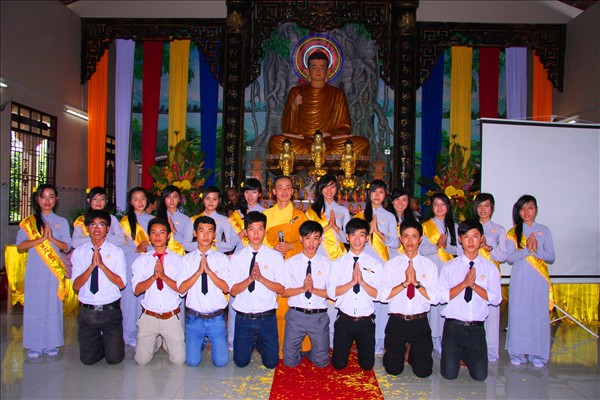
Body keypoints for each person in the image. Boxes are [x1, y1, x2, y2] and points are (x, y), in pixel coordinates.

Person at [268, 50, 369, 157]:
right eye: (314, 67)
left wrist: (329, 135)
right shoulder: (296, 92)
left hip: (329, 141)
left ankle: (315, 153)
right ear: (307, 71)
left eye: (322, 68)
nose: (318, 71)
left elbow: (345, 126)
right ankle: (320, 154)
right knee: (275, 141)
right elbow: (287, 128)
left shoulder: (337, 93)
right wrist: (294, 106)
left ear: (328, 71)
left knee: (362, 143)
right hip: (302, 140)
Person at [438, 219, 502, 381]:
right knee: (449, 375)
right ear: (460, 240)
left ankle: (466, 354)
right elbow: (441, 296)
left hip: (476, 329)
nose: (471, 241)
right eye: (466, 237)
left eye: (475, 236)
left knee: (480, 376)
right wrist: (464, 284)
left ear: (482, 239)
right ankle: (457, 353)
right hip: (453, 327)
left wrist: (474, 286)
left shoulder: (490, 268)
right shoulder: (450, 267)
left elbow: (496, 299)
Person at [16, 184, 71, 359]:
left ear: (56, 199)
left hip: (54, 273)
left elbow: (67, 246)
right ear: (37, 199)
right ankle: (34, 344)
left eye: (51, 196)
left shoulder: (61, 221)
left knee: (53, 306)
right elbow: (20, 246)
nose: (47, 200)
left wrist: (52, 238)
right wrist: (41, 239)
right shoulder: (28, 223)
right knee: (35, 306)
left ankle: (52, 342)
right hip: (35, 271)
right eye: (43, 197)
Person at [380, 220, 440, 377]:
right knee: (393, 370)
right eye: (406, 236)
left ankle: (413, 352)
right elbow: (383, 296)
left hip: (419, 321)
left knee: (423, 372)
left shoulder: (429, 266)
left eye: (414, 236)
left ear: (420, 239)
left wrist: (417, 285)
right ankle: (394, 353)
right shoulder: (391, 265)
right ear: (400, 239)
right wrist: (405, 284)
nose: (410, 241)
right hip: (397, 320)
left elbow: (435, 298)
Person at [229, 212, 285, 369]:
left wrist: (261, 279)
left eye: (260, 229)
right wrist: (250, 279)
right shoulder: (237, 258)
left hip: (266, 317)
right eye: (251, 229)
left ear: (264, 231)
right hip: (244, 318)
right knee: (240, 363)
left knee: (271, 363)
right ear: (246, 232)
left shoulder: (275, 257)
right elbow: (233, 291)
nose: (256, 233)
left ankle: (259, 342)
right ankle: (251, 342)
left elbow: (281, 288)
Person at [506, 195, 555, 368]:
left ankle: (538, 355)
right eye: (523, 208)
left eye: (530, 208)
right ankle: (517, 353)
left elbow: (551, 256)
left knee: (538, 315)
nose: (526, 212)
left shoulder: (544, 230)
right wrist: (527, 249)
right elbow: (510, 258)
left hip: (538, 279)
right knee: (518, 314)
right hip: (520, 278)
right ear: (518, 211)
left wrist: (537, 250)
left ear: (536, 210)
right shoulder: (513, 232)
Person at [72, 210, 127, 365]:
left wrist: (102, 265)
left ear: (107, 228)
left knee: (114, 359)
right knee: (88, 360)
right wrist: (91, 266)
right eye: (92, 225)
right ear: (87, 228)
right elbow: (76, 285)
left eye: (101, 225)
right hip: (87, 312)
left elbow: (121, 283)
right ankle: (102, 342)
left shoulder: (116, 252)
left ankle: (112, 343)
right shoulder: (79, 252)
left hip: (110, 311)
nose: (97, 229)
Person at [328, 218, 382, 371]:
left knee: (367, 366)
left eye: (361, 235)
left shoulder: (375, 264)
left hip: (366, 320)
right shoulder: (337, 264)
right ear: (347, 237)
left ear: (367, 238)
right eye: (353, 235)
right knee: (338, 365)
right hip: (344, 319)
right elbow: (332, 293)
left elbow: (379, 295)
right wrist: (352, 283)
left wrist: (363, 283)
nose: (357, 239)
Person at [263, 175, 309, 355]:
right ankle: (276, 347)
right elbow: (258, 242)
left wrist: (292, 246)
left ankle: (300, 346)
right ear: (274, 191)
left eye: (288, 187)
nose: (284, 191)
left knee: (295, 307)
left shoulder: (300, 216)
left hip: (293, 267)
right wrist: (272, 249)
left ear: (292, 192)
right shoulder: (266, 216)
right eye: (280, 187)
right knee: (275, 309)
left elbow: (308, 242)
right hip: (272, 268)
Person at [131, 218, 185, 365]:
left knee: (179, 361)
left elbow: (182, 290)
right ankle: (156, 341)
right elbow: (136, 290)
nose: (157, 236)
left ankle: (165, 340)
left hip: (171, 316)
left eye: (161, 232)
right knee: (141, 361)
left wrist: (164, 277)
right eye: (153, 233)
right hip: (149, 315)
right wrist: (154, 277)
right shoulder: (142, 261)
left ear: (168, 235)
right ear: (149, 236)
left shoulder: (178, 260)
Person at [179, 216, 230, 367]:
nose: (206, 235)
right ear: (195, 233)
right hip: (195, 318)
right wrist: (198, 272)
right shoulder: (186, 260)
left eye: (210, 231)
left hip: (216, 318)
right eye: (201, 231)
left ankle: (209, 339)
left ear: (215, 234)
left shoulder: (222, 259)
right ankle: (201, 341)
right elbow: (181, 289)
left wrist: (209, 271)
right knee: (192, 362)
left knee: (221, 362)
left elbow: (226, 288)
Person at [355, 179, 398, 355]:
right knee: (363, 303)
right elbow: (353, 240)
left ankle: (379, 344)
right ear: (369, 194)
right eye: (374, 191)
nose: (377, 195)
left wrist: (380, 234)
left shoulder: (390, 216)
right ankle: (362, 342)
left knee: (380, 306)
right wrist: (367, 233)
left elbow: (395, 243)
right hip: (363, 263)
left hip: (381, 264)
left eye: (381, 192)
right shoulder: (360, 215)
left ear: (385, 195)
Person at [281, 221, 331, 368]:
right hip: (296, 315)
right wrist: (303, 289)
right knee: (289, 362)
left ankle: (310, 353)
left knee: (322, 363)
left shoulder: (327, 264)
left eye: (315, 238)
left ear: (320, 240)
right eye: (307, 238)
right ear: (301, 239)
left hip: (319, 316)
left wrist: (314, 290)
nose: (311, 243)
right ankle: (300, 353)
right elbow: (283, 292)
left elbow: (332, 293)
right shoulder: (290, 263)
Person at [227, 178, 266, 348]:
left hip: (260, 258)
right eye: (247, 192)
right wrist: (243, 232)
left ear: (260, 194)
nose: (250, 196)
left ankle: (258, 341)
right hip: (239, 258)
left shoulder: (266, 213)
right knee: (236, 298)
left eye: (254, 192)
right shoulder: (236, 215)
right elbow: (230, 242)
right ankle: (233, 341)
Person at [419, 192, 460, 354]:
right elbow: (421, 250)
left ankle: (445, 339)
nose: (439, 208)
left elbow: (460, 250)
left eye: (443, 204)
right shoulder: (425, 226)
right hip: (431, 269)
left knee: (445, 303)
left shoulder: (455, 227)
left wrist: (446, 247)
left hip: (448, 270)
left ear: (448, 207)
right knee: (432, 304)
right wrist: (436, 246)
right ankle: (431, 339)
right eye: (436, 204)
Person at [473, 193, 507, 362]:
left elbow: (503, 255)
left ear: (492, 208)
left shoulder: (498, 229)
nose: (483, 210)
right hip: (474, 274)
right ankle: (472, 349)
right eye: (479, 206)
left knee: (492, 314)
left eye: (486, 206)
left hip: (491, 274)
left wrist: (488, 248)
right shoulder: (471, 227)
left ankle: (491, 351)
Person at [120, 187, 154, 347]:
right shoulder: (124, 223)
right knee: (130, 302)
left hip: (149, 265)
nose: (140, 202)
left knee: (147, 299)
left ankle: (147, 333)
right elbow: (118, 246)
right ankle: (129, 334)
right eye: (136, 199)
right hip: (131, 264)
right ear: (130, 201)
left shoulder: (153, 220)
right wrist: (135, 249)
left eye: (142, 198)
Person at [183, 186, 240, 254]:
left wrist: (215, 244)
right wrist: (201, 243)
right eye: (207, 198)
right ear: (203, 199)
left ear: (219, 200)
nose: (211, 202)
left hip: (216, 256)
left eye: (214, 199)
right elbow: (186, 245)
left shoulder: (224, 220)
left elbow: (230, 245)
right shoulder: (193, 219)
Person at [155, 185, 189, 256]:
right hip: (161, 254)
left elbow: (187, 243)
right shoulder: (158, 217)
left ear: (179, 199)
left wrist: (174, 230)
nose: (171, 200)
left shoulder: (185, 219)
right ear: (164, 199)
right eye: (168, 197)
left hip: (179, 254)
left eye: (175, 197)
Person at [386, 187, 417, 257]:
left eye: (404, 200)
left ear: (408, 202)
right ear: (392, 201)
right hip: (389, 257)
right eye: (397, 199)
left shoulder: (413, 220)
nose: (400, 203)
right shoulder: (385, 219)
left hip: (407, 257)